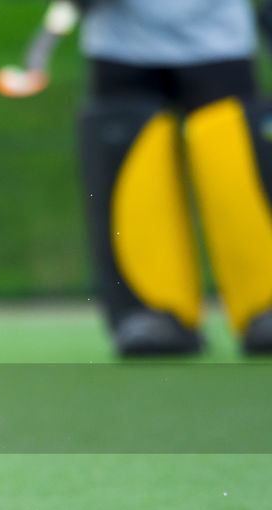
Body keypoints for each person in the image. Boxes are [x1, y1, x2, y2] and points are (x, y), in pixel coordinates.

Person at [73, 0, 272, 355]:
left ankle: (264, 304)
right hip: (121, 45)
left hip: (220, 41)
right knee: (132, 169)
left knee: (235, 162)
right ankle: (150, 310)